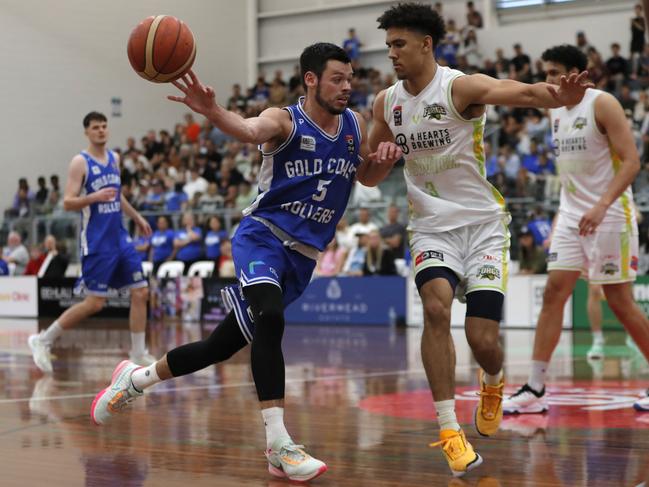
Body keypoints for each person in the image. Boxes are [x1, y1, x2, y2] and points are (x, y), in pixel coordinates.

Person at [89, 43, 402, 482]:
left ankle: (137, 379)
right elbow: (249, 130)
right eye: (337, 78)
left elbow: (365, 175)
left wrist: (384, 161)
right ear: (310, 79)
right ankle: (278, 445)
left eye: (350, 78)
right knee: (271, 319)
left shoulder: (354, 124)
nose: (347, 86)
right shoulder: (285, 119)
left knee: (220, 347)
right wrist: (213, 111)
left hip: (304, 258)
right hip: (263, 239)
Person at [370, 4, 592, 476]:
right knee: (435, 309)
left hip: (484, 227)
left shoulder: (459, 86)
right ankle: (450, 430)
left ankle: (493, 380)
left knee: (482, 339)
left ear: (426, 44)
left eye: (399, 44)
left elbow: (524, 91)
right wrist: (380, 159)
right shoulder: (384, 103)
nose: (391, 53)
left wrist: (560, 95)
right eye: (388, 44)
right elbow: (369, 175)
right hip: (430, 226)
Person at [502, 45, 649, 417]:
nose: (547, 80)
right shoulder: (554, 113)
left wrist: (600, 206)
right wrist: (558, 220)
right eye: (544, 72)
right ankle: (535, 387)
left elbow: (632, 162)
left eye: (554, 73)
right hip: (570, 217)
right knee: (554, 293)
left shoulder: (603, 104)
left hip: (611, 214)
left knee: (619, 302)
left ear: (577, 74)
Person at [28, 112, 155, 374]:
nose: (101, 131)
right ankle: (42, 339)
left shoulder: (115, 158)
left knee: (141, 292)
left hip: (120, 238)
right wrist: (94, 197)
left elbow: (117, 197)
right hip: (97, 242)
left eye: (104, 126)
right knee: (94, 303)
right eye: (96, 127)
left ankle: (138, 353)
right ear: (87, 132)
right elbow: (67, 201)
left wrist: (137, 217)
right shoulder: (80, 162)